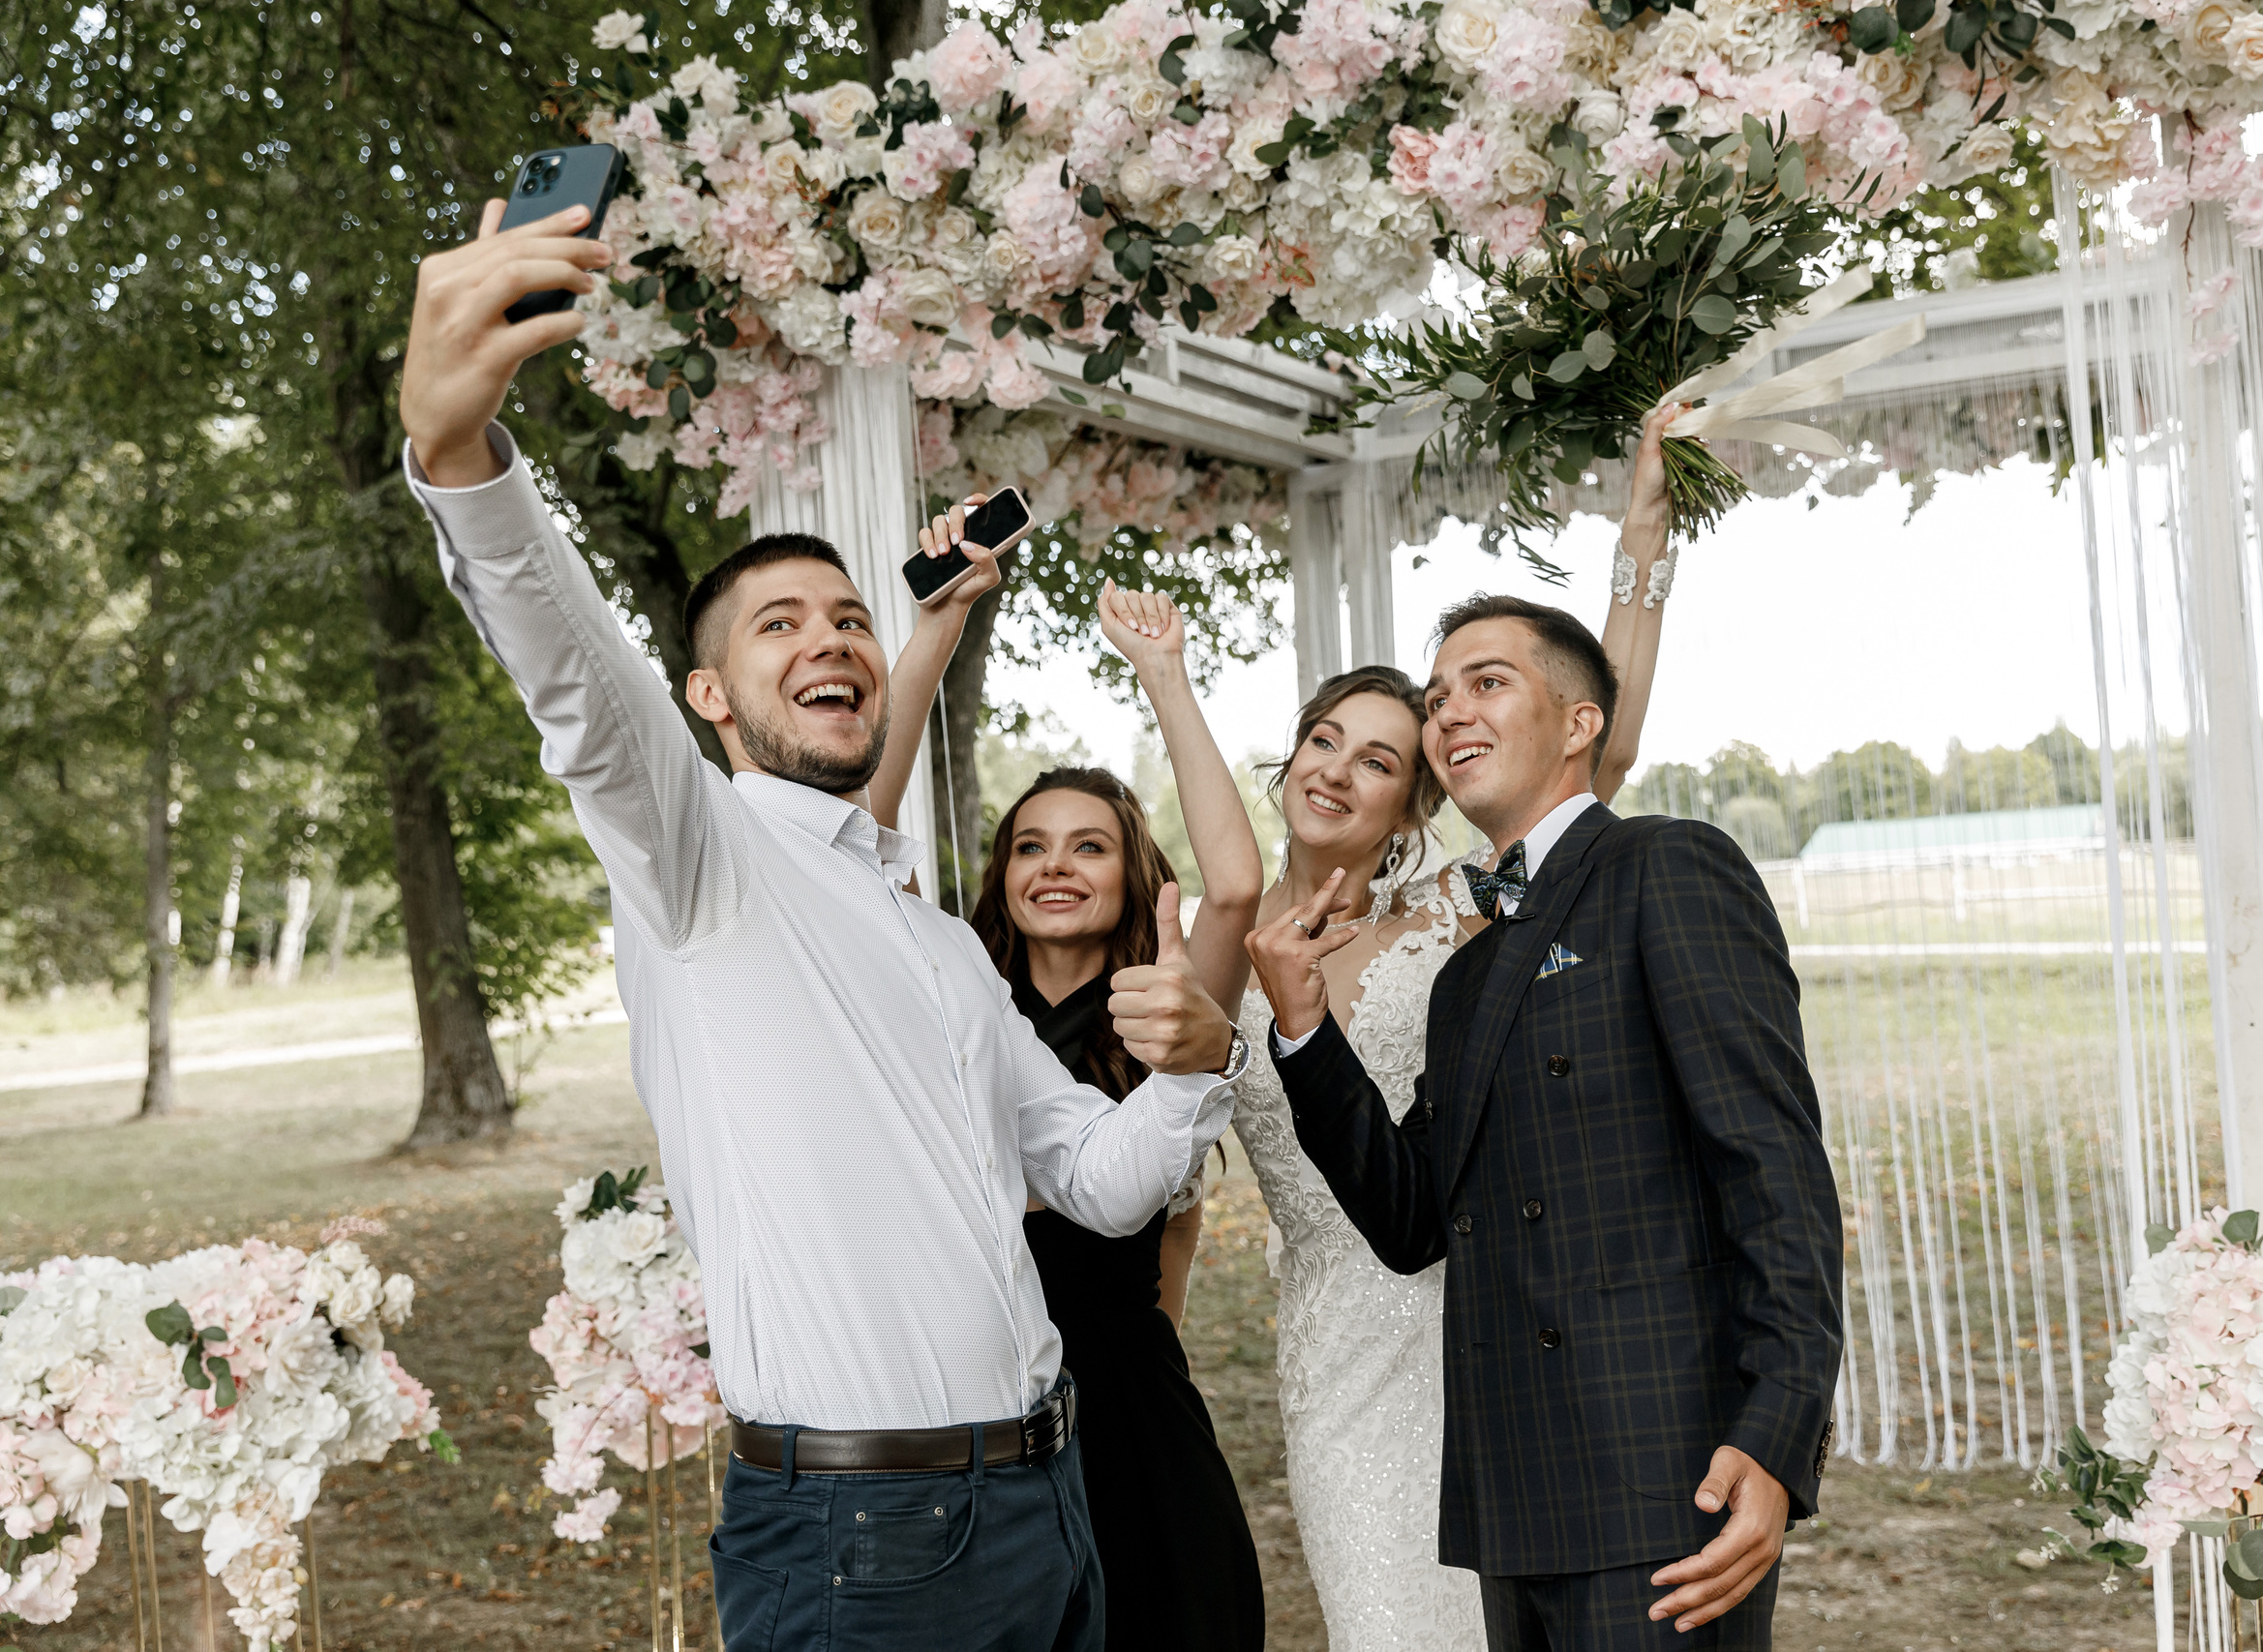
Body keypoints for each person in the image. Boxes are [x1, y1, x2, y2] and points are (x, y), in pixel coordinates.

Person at [399, 200, 1253, 1652]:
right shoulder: (699, 861)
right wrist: (459, 459)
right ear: (712, 698)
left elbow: (1103, 1187)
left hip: (1054, 1503)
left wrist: (1186, 1060)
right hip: (864, 1543)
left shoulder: (935, 943)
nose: (833, 638)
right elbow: (579, 676)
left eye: (850, 617)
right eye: (780, 624)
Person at [1244, 579, 1844, 1648]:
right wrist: (1302, 1029)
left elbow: (1774, 1170)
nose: (1450, 714)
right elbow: (1409, 1216)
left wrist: (1776, 1433)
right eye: (1437, 700)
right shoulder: (1463, 978)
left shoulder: (1666, 865)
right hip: (1508, 1507)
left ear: (1580, 724)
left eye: (1486, 683)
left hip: (1666, 1481)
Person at [1217, 411, 1684, 1652]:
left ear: (1415, 794)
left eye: (1379, 758)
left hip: (1472, 1325)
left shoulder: (1461, 913)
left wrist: (1642, 537)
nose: (1336, 772)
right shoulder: (1224, 933)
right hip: (1336, 1347)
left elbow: (1605, 743)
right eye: (1322, 742)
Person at [882, 572, 1269, 1652]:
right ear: (999, 872)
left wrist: (1164, 678)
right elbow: (861, 831)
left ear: (1133, 871)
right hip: (972, 1392)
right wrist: (934, 636)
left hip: (1128, 1397)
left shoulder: (1170, 1009)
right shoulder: (944, 993)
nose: (1054, 865)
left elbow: (1235, 888)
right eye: (1029, 845)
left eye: (1088, 845)